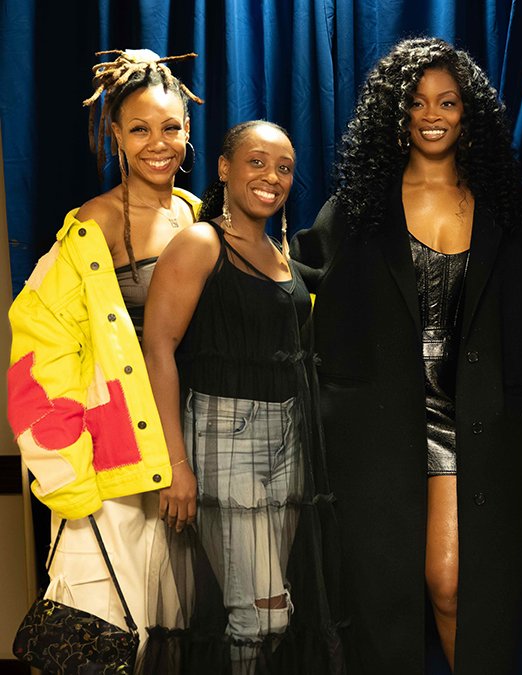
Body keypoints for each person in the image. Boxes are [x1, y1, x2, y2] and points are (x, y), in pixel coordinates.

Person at [289, 38, 522, 673]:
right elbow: (306, 306)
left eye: (447, 102)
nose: (432, 114)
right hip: (378, 427)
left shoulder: (502, 209)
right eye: (416, 102)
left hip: (469, 421)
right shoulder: (358, 209)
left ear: (467, 113)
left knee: (453, 586)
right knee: (381, 598)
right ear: (394, 114)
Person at [7, 49, 201, 654]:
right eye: (139, 128)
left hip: (187, 446)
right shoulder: (87, 229)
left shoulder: (197, 216)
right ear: (114, 133)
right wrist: (66, 474)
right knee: (108, 633)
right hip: (110, 458)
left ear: (189, 131)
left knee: (175, 631)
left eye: (170, 127)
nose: (157, 143)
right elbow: (40, 357)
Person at [141, 120, 342, 672]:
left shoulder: (279, 252)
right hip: (224, 434)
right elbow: (158, 349)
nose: (271, 177)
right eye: (256, 162)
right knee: (260, 619)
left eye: (283, 168)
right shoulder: (202, 242)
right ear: (225, 168)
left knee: (268, 612)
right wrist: (176, 465)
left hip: (288, 439)